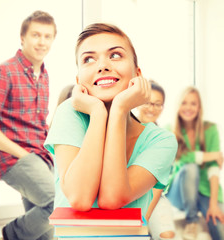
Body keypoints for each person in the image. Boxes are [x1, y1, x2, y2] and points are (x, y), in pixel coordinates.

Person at [44, 23, 177, 220]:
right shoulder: (69, 114)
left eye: (115, 55)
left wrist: (119, 109)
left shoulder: (161, 141)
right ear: (79, 79)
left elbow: (111, 199)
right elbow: (79, 198)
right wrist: (98, 113)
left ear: (137, 74)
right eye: (89, 59)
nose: (103, 66)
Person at [0, 10, 56, 240]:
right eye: (36, 35)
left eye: (47, 36)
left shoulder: (44, 76)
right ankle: (11, 234)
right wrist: (24, 155)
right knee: (57, 204)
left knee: (45, 230)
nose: (42, 41)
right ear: (22, 38)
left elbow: (39, 124)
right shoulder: (3, 72)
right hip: (16, 158)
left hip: (42, 156)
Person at [166, 86, 224, 240]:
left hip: (204, 191)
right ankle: (192, 221)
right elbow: (179, 158)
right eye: (184, 103)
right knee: (190, 168)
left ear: (199, 108)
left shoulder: (210, 129)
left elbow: (214, 168)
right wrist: (208, 155)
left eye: (193, 103)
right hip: (178, 192)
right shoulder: (169, 130)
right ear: (178, 106)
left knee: (220, 227)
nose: (188, 108)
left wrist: (213, 204)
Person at [137, 80, 177, 240]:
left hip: (154, 196)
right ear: (138, 102)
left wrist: (143, 219)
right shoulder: (123, 128)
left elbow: (158, 187)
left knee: (166, 235)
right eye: (147, 102)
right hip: (127, 196)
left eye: (157, 104)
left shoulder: (165, 140)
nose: (151, 108)